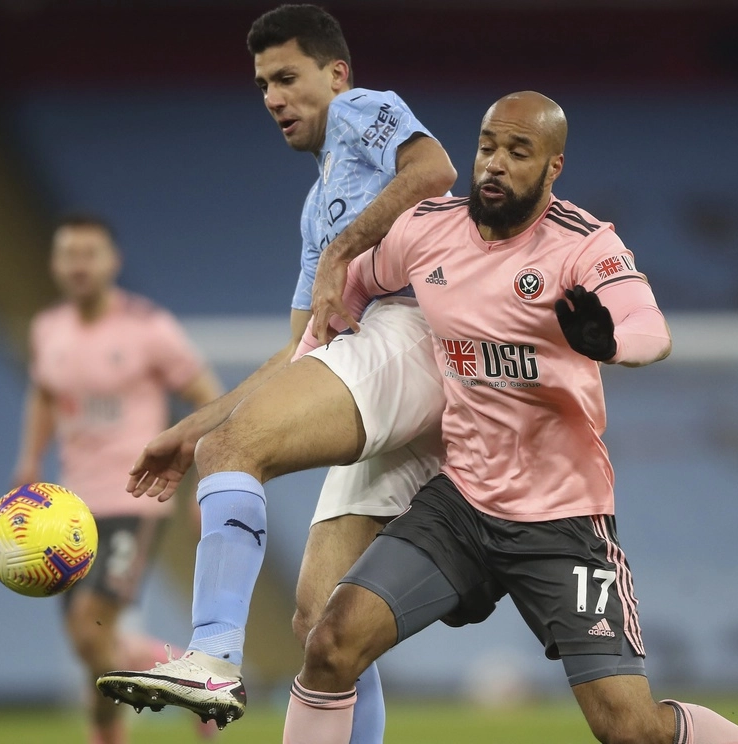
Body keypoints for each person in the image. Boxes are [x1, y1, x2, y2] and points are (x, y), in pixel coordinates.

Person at [281, 92, 738, 744]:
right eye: (487, 147)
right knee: (331, 642)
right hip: (461, 505)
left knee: (628, 729)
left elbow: (650, 329)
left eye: (517, 152)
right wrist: (309, 353)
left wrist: (610, 343)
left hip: (561, 524)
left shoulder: (582, 245)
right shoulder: (429, 230)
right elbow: (353, 283)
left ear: (552, 166)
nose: (495, 165)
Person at [95, 3, 457, 737]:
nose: (272, 99)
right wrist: (186, 428)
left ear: (336, 74)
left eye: (288, 78)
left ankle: (212, 655)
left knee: (232, 453)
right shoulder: (313, 205)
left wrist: (341, 253)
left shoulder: (364, 110)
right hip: (381, 360)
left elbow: (435, 167)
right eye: (262, 85)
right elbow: (301, 352)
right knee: (328, 620)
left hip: (416, 327)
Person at [12, 213, 225, 744]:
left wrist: (205, 479)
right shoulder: (48, 329)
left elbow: (209, 398)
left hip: (137, 498)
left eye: (90, 254)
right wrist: (29, 462)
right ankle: (185, 677)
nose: (79, 265)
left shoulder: (149, 328)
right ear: (56, 264)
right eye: (69, 254)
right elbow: (43, 394)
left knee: (92, 623)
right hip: (67, 511)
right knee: (90, 643)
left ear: (113, 262)